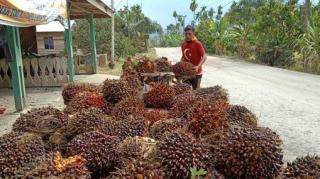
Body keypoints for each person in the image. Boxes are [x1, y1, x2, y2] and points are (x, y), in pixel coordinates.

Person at [180, 25, 207, 90]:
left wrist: (198, 66)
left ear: (193, 34)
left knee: (196, 92)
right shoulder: (183, 44)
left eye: (189, 34)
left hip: (197, 73)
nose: (187, 35)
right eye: (186, 34)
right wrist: (179, 65)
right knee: (185, 91)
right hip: (186, 74)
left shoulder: (197, 43)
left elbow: (204, 56)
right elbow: (183, 57)